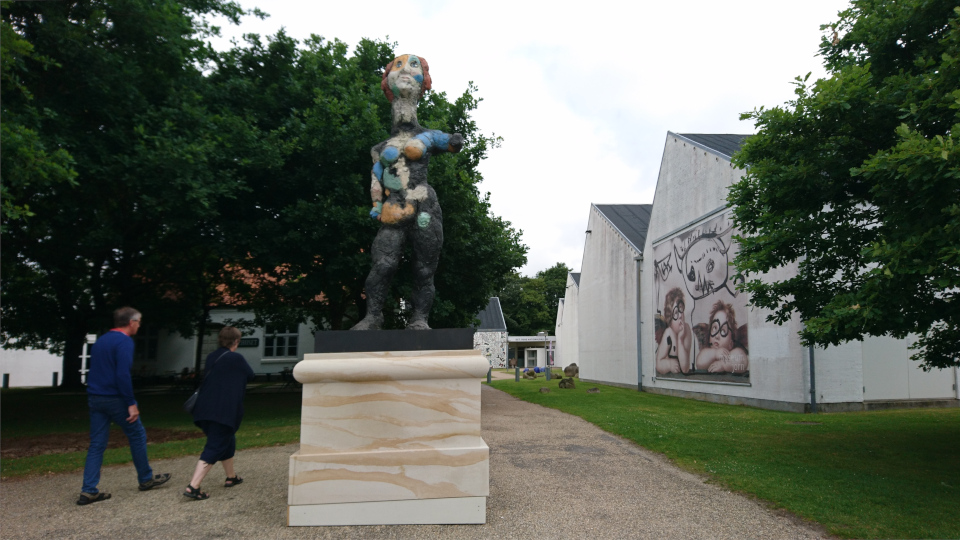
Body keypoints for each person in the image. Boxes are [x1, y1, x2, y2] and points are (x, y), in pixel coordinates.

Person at [351, 54, 463, 331]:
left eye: (413, 66)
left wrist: (456, 140)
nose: (404, 70)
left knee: (424, 269)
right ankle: (373, 316)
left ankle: (419, 319)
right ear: (388, 81)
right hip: (393, 209)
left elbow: (452, 143)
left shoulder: (428, 136)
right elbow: (376, 180)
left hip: (424, 206)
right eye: (397, 66)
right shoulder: (380, 148)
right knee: (383, 264)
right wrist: (376, 206)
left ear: (423, 82)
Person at [77, 307, 171, 506]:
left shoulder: (101, 340)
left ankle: (88, 490)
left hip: (95, 397)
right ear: (131, 322)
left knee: (97, 444)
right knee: (137, 434)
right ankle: (145, 479)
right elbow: (122, 375)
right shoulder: (124, 342)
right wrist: (131, 403)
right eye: (139, 322)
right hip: (115, 398)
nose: (139, 325)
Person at [184, 326, 255, 500]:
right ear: (236, 341)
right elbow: (250, 375)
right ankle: (193, 486)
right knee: (215, 445)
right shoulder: (236, 358)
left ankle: (231, 477)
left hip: (204, 409)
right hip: (222, 412)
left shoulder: (211, 357)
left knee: (227, 440)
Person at [695, 300, 749, 373]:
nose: (717, 336)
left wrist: (723, 365)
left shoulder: (733, 353)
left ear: (731, 344)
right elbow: (699, 362)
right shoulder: (707, 352)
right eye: (714, 328)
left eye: (723, 331)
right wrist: (715, 353)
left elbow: (743, 360)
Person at [656, 288, 692, 375]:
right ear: (670, 320)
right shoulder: (668, 334)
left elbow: (685, 368)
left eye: (681, 309)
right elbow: (658, 363)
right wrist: (669, 364)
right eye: (676, 313)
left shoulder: (686, 330)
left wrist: (680, 339)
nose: (680, 316)